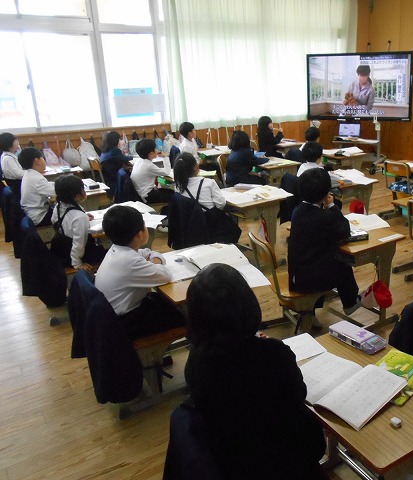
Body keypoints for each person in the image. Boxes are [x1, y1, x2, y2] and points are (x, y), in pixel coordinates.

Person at [184, 263, 327, 479]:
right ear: (247, 305)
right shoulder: (274, 354)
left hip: (231, 460)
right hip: (286, 457)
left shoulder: (195, 361)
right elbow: (298, 394)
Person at [94, 205, 183, 340]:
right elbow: (166, 275)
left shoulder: (118, 249)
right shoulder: (129, 261)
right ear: (140, 234)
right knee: (183, 314)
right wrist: (155, 263)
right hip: (126, 322)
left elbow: (147, 253)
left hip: (113, 316)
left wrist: (153, 261)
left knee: (162, 301)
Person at [288, 168, 360, 317]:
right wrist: (332, 206)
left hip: (296, 273)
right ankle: (350, 303)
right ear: (325, 193)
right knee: (342, 262)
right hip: (310, 280)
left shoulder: (297, 210)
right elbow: (344, 229)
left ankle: (310, 313)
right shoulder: (325, 217)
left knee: (321, 258)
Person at [50, 175, 107, 270]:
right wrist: (77, 263)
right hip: (75, 256)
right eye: (83, 189)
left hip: (61, 249)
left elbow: (56, 221)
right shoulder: (79, 217)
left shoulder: (58, 205)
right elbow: (79, 244)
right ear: (77, 195)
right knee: (108, 245)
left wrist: (84, 216)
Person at [18, 147, 55, 226]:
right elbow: (56, 191)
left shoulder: (29, 174)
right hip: (40, 217)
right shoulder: (36, 178)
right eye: (42, 158)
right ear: (37, 161)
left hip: (33, 213)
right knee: (68, 214)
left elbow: (48, 186)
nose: (44, 161)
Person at [131, 138, 173, 204]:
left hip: (142, 192)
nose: (157, 150)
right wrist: (165, 157)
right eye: (156, 148)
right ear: (151, 153)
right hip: (148, 196)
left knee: (169, 188)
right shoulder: (149, 165)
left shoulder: (139, 161)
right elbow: (166, 172)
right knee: (173, 195)